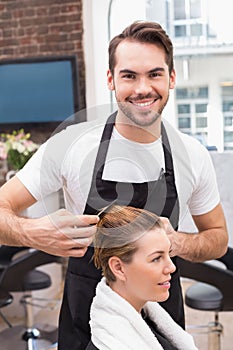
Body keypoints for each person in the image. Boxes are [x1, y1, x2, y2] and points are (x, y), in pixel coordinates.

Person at [0, 20, 228, 350]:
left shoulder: (192, 154)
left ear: (171, 78)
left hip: (161, 318)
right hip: (86, 319)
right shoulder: (70, 145)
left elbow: (218, 239)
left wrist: (177, 243)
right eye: (129, 75)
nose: (142, 88)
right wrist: (33, 233)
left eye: (154, 74)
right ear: (111, 79)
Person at [86, 205, 198, 350]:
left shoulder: (150, 322)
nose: (171, 267)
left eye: (168, 254)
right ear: (118, 268)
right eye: (157, 258)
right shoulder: (109, 345)